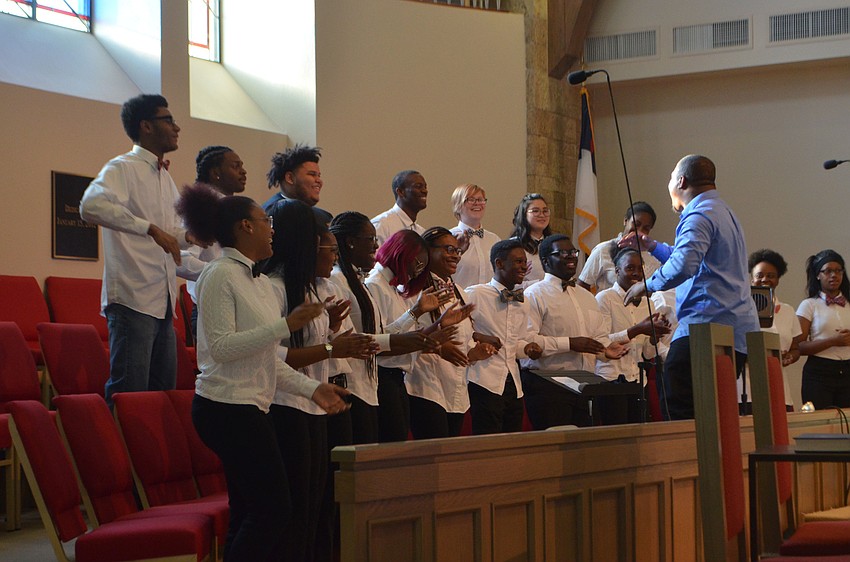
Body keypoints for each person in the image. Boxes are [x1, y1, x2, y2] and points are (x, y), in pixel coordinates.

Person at [176, 183, 349, 561]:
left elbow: (266, 358)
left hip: (250, 406)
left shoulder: (253, 280)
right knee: (274, 509)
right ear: (245, 227)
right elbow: (221, 348)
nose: (273, 228)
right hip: (225, 406)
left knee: (250, 511)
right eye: (265, 221)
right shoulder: (220, 274)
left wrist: (310, 389)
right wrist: (285, 325)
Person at [262, 200, 375, 562]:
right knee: (298, 508)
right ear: (308, 246)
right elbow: (274, 357)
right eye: (329, 247)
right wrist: (330, 345)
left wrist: (331, 332)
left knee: (318, 505)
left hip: (313, 404)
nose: (334, 254)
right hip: (285, 404)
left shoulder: (310, 289)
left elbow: (315, 346)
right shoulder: (275, 288)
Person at [622, 155, 760, 420]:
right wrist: (652, 246)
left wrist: (646, 285)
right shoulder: (722, 211)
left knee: (679, 403)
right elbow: (696, 260)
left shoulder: (698, 214)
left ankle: (690, 461)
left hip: (706, 326)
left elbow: (685, 265)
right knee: (714, 410)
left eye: (671, 177)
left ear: (681, 181)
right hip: (734, 329)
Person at [80, 94, 193, 405]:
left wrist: (193, 236)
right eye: (168, 120)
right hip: (133, 298)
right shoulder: (123, 167)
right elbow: (90, 206)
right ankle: (114, 455)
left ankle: (151, 456)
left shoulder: (165, 178)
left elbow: (170, 237)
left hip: (162, 301)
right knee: (129, 395)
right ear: (146, 126)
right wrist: (150, 228)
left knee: (162, 398)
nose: (177, 127)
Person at [329, 212, 441, 444]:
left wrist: (417, 326)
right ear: (350, 242)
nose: (376, 244)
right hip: (355, 384)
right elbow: (358, 340)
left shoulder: (359, 282)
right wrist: (415, 335)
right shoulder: (340, 281)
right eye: (370, 239)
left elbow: (380, 333)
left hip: (370, 384)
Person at [365, 230, 467, 442]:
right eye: (417, 264)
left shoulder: (394, 289)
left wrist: (438, 326)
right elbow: (380, 339)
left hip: (397, 375)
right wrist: (417, 312)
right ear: (401, 255)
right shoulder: (375, 285)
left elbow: (402, 334)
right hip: (384, 373)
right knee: (392, 446)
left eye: (422, 266)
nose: (417, 271)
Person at [520, 235, 628, 429]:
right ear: (545, 260)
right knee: (554, 450)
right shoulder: (534, 294)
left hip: (584, 384)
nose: (571, 257)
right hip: (547, 384)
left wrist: (605, 351)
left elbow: (598, 337)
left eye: (573, 252)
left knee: (584, 450)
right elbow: (528, 342)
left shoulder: (587, 297)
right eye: (562, 253)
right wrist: (570, 343)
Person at [407, 227, 495, 439]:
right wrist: (437, 346)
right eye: (448, 249)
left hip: (456, 391)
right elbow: (405, 335)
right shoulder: (414, 290)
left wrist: (474, 354)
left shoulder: (460, 293)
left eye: (457, 251)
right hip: (426, 388)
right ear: (428, 251)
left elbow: (460, 342)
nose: (455, 255)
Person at [464, 239, 543, 434]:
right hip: (484, 380)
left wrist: (527, 348)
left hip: (513, 384)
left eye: (525, 262)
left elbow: (514, 342)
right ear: (499, 263)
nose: (524, 266)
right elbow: (459, 329)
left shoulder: (523, 302)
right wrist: (479, 338)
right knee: (487, 443)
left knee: (512, 443)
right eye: (518, 261)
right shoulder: (475, 294)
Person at [594, 247, 671, 424]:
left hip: (637, 380)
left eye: (640, 268)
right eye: (630, 268)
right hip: (610, 380)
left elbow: (648, 353)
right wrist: (637, 329)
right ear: (617, 271)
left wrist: (654, 336)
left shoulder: (648, 302)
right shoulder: (605, 298)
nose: (636, 273)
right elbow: (602, 342)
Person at [177, 145, 248, 337]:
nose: (243, 171)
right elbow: (180, 259)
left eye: (242, 165)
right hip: (210, 309)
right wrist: (221, 275)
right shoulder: (200, 209)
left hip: (238, 308)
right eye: (235, 166)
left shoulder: (235, 209)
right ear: (216, 172)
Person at [739, 249, 803, 411]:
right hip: (746, 389)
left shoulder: (788, 310)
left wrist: (788, 357)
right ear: (751, 279)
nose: (765, 279)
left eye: (771, 276)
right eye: (759, 275)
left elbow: (795, 349)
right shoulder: (739, 310)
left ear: (778, 279)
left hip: (778, 386)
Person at [796, 249, 850, 409]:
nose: (834, 275)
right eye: (828, 271)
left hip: (848, 369)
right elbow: (798, 346)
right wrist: (833, 341)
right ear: (818, 275)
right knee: (820, 424)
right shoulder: (809, 305)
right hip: (819, 372)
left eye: (838, 271)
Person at [577, 201, 662, 293]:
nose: (639, 231)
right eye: (636, 224)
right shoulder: (603, 250)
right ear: (625, 221)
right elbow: (582, 285)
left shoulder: (654, 257)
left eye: (646, 228)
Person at [263, 144, 333, 225]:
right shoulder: (270, 214)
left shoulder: (324, 217)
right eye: (312, 174)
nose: (319, 181)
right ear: (290, 178)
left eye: (319, 175)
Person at [449, 184, 501, 289]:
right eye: (471, 200)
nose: (477, 204)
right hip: (460, 302)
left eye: (480, 200)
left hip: (489, 302)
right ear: (458, 205)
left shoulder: (494, 240)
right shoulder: (449, 238)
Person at [371, 170, 428, 245]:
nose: (425, 191)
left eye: (425, 186)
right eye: (418, 186)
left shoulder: (422, 233)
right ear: (400, 192)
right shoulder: (382, 225)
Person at [509, 193, 552, 289]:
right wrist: (541, 284)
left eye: (545, 211)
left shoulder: (554, 244)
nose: (542, 215)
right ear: (524, 214)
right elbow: (508, 283)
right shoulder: (514, 246)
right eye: (535, 211)